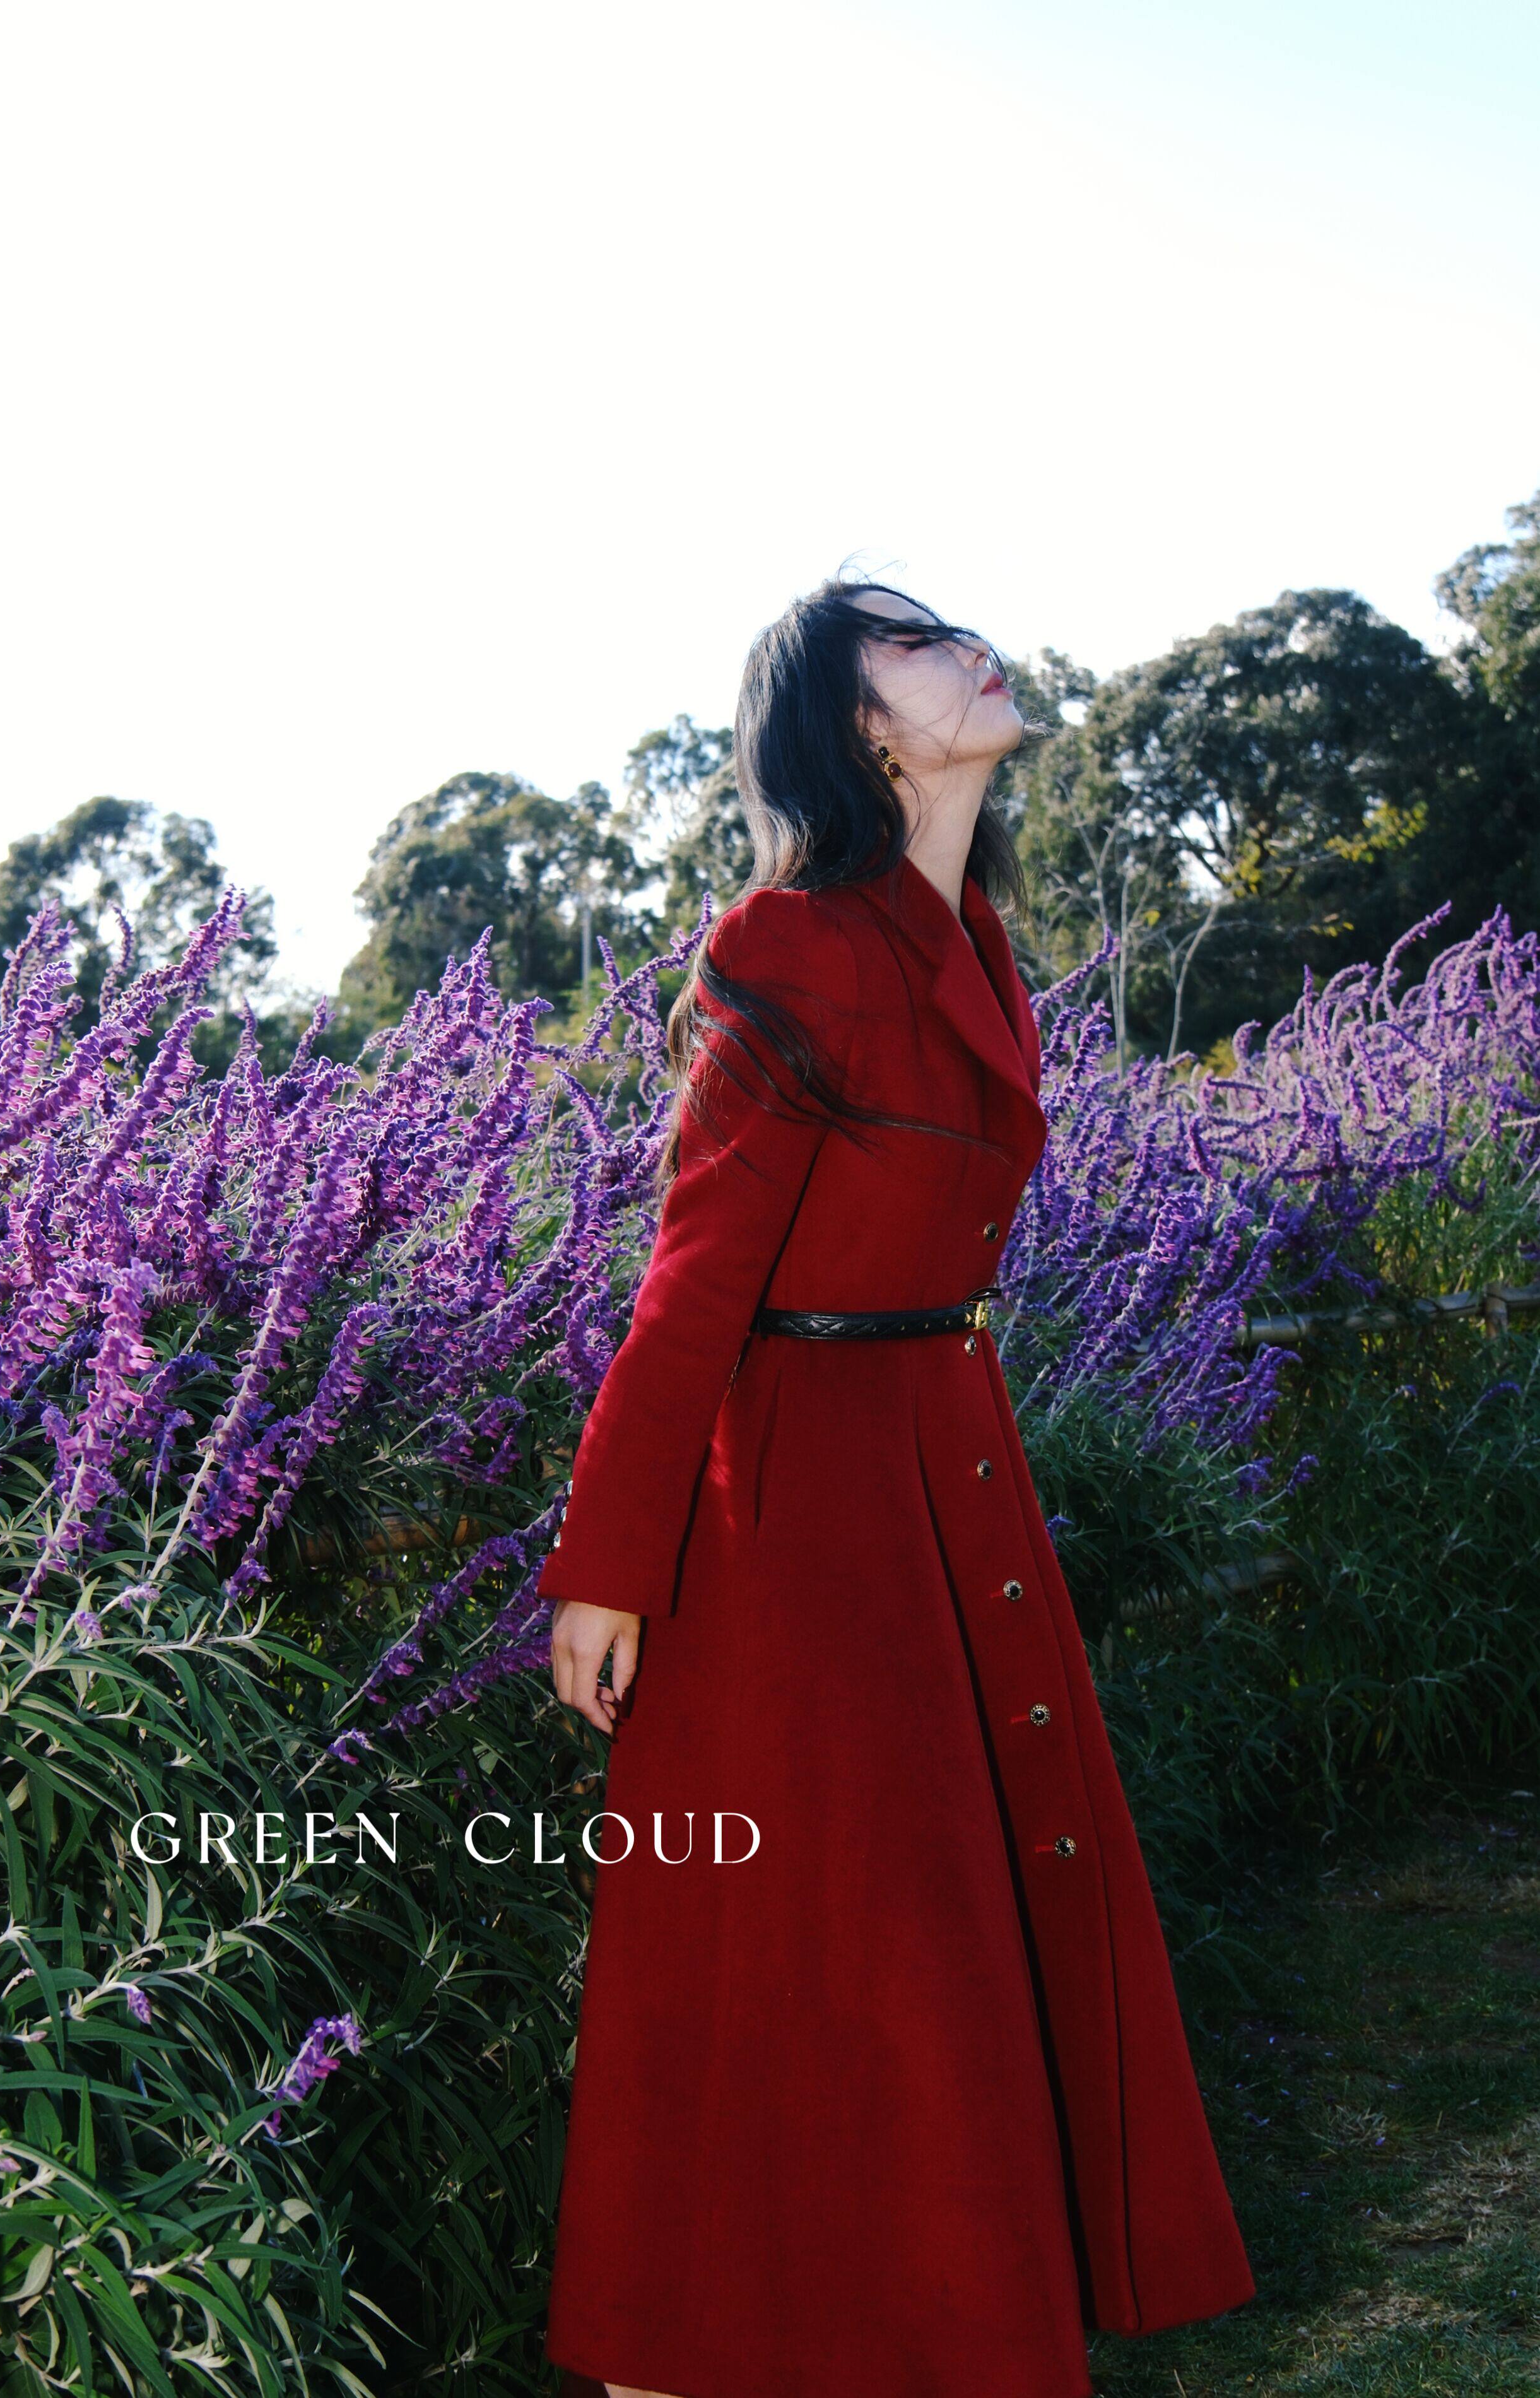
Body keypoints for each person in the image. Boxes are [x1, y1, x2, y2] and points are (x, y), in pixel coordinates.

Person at [538, 577, 1255, 2398]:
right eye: (916, 645)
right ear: (862, 728)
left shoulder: (976, 942)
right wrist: (608, 1565)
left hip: (946, 1460)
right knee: (867, 1955)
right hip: (799, 1518)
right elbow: (694, 1277)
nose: (969, 649)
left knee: (961, 1941)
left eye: (952, 627)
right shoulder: (789, 945)